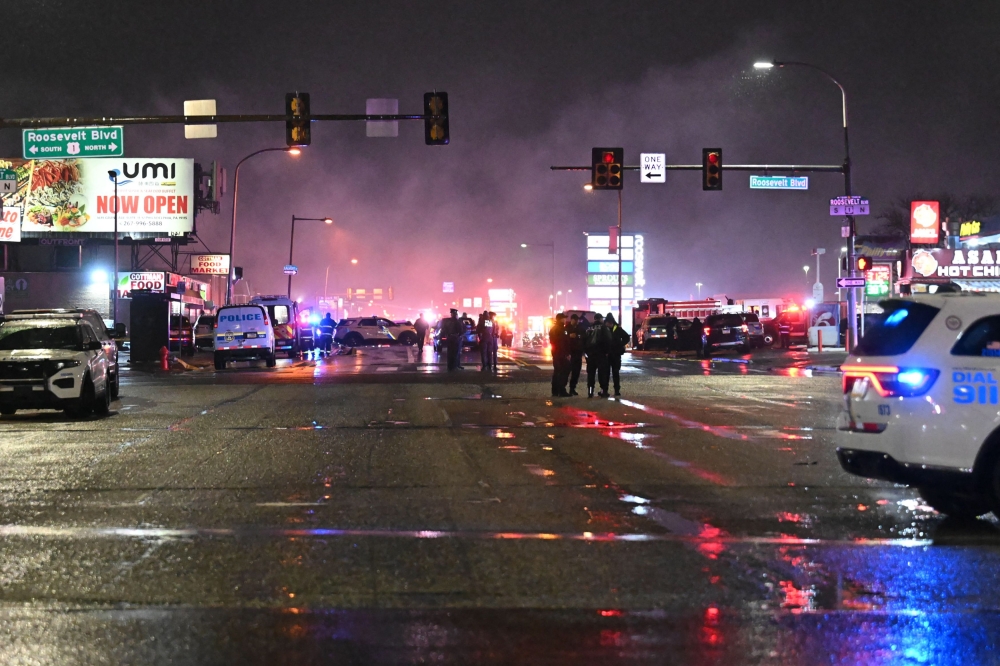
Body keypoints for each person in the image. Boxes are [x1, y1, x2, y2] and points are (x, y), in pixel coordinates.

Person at [585, 313, 611, 398]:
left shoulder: (589, 328)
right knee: (602, 373)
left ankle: (590, 391)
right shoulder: (603, 328)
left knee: (591, 374)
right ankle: (603, 391)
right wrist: (607, 352)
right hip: (601, 354)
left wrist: (586, 352)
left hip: (590, 355)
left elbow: (584, 340)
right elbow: (608, 340)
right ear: (600, 319)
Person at [606, 313, 630, 397]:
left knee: (615, 372)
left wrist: (620, 344)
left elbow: (626, 337)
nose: (607, 324)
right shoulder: (605, 329)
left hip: (615, 354)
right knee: (606, 373)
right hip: (607, 354)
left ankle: (616, 390)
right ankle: (605, 390)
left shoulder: (617, 329)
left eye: (608, 323)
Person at [549, 313, 571, 397]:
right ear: (560, 319)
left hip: (556, 353)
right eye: (564, 318)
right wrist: (566, 353)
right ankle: (562, 390)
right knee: (563, 371)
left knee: (557, 372)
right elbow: (562, 342)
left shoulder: (554, 329)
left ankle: (555, 391)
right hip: (561, 354)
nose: (565, 320)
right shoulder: (560, 329)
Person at [566, 313, 587, 396]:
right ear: (572, 320)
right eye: (575, 320)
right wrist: (569, 336)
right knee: (566, 372)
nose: (576, 321)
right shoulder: (567, 328)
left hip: (578, 353)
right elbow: (562, 339)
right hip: (570, 353)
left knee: (576, 372)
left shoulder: (580, 328)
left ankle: (572, 388)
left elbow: (584, 337)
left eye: (577, 320)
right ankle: (563, 388)